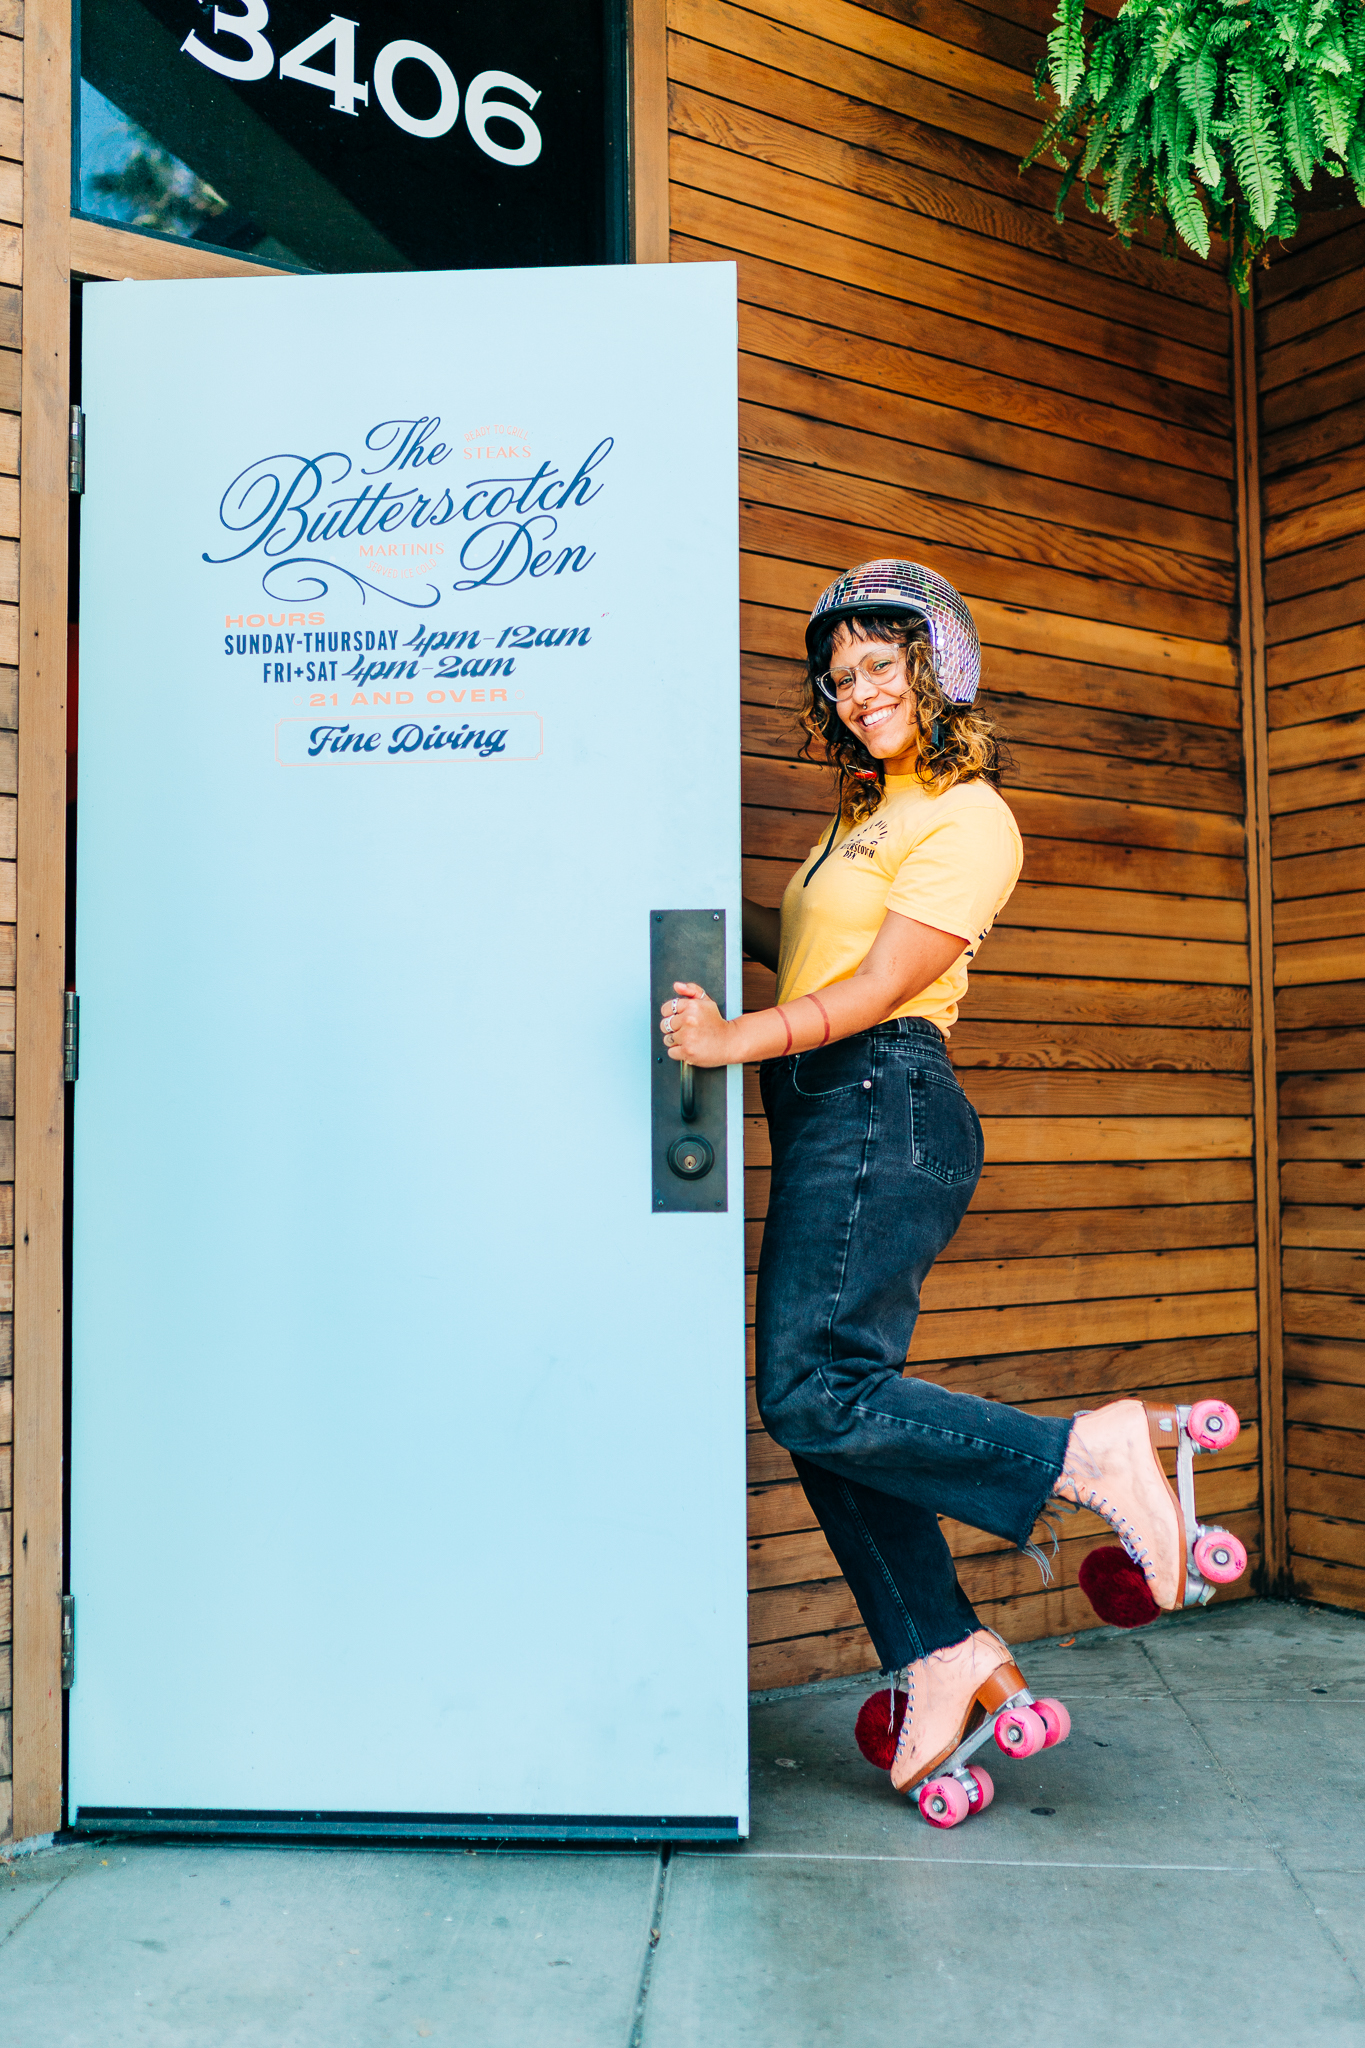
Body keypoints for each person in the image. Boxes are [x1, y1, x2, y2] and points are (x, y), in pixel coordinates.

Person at [660, 559, 1247, 1826]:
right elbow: (819, 943)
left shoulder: (971, 816)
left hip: (884, 1096)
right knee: (827, 1405)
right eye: (841, 672)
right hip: (832, 1106)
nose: (858, 688)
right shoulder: (864, 817)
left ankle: (1084, 1451)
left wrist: (730, 1038)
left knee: (817, 1389)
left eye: (882, 663)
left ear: (939, 667)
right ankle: (938, 1651)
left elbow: (873, 990)